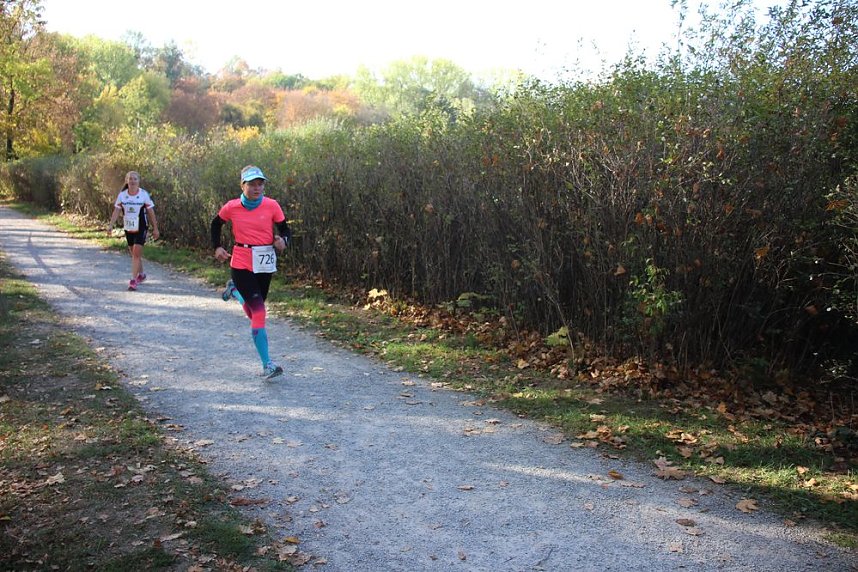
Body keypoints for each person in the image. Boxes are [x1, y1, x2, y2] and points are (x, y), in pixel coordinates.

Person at [211, 165, 291, 380]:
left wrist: (283, 241)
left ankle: (235, 292)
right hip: (241, 262)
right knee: (259, 312)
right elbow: (215, 224)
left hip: (264, 262)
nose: (257, 188)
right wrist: (217, 247)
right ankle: (268, 365)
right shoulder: (232, 207)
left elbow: (285, 229)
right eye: (252, 184)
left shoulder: (272, 205)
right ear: (242, 185)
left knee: (253, 311)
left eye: (260, 184)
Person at [107, 171, 160, 291]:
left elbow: (151, 212)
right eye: (130, 179)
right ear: (126, 181)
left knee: (136, 252)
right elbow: (116, 211)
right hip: (129, 226)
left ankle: (133, 280)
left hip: (141, 226)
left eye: (135, 179)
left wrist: (155, 228)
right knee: (133, 253)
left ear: (138, 181)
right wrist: (110, 226)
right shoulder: (122, 195)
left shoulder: (143, 194)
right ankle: (141, 275)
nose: (132, 181)